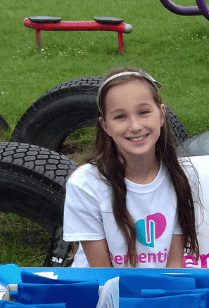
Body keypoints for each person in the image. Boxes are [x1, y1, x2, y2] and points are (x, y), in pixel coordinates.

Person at [63, 67, 200, 268]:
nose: (135, 126)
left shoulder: (183, 176)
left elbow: (174, 265)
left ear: (161, 115)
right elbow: (102, 274)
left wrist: (165, 297)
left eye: (144, 112)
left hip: (157, 290)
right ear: (105, 125)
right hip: (104, 291)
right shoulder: (85, 183)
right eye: (120, 117)